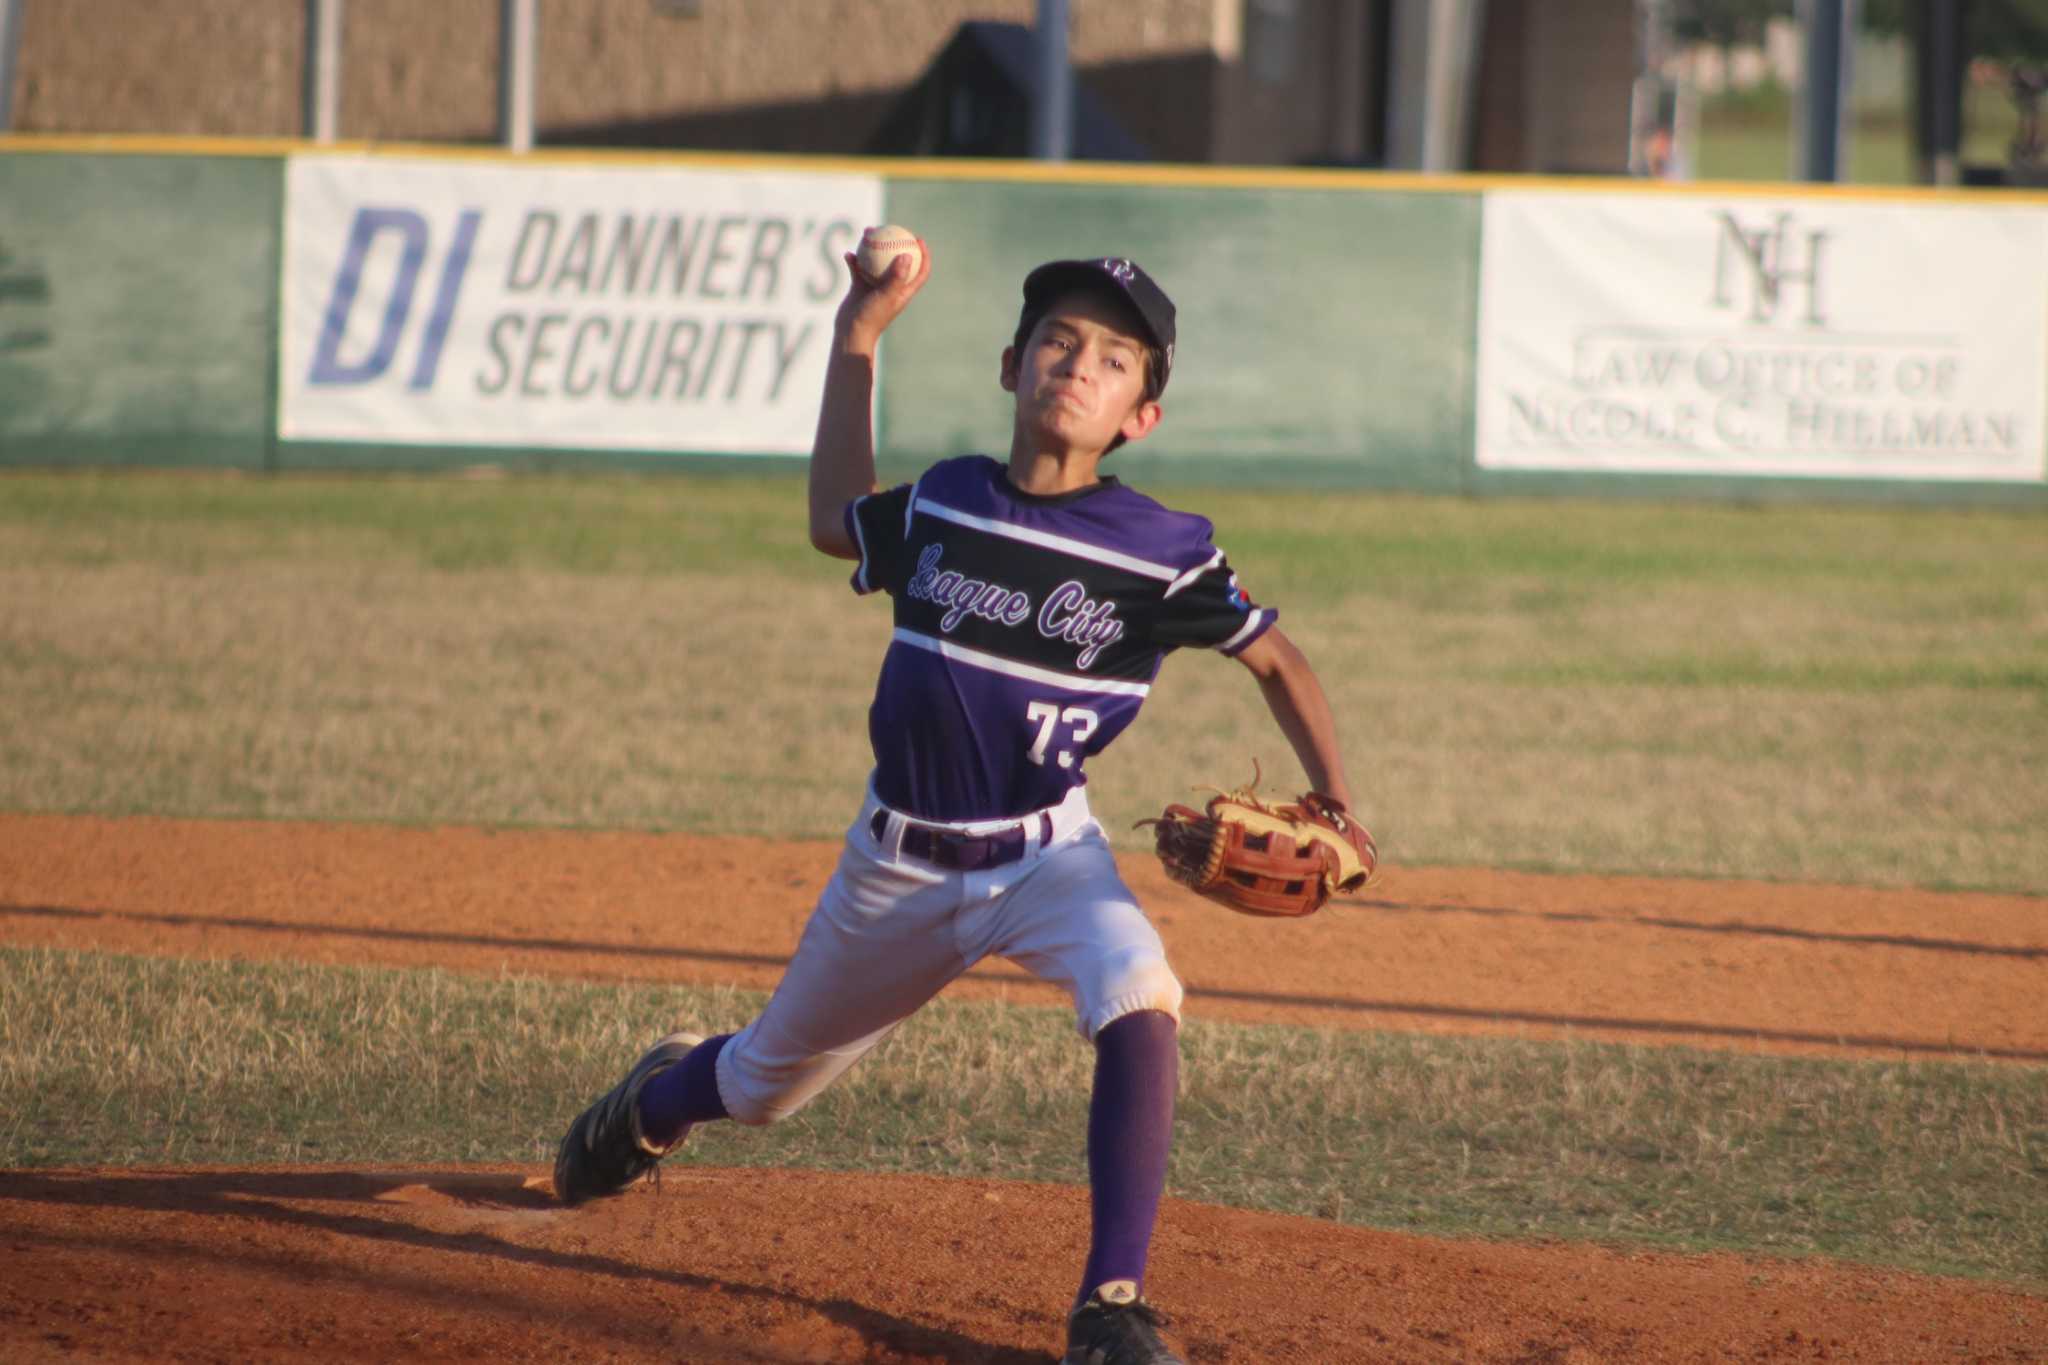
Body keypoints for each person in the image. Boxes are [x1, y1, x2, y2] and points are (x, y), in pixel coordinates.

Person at [554, 239, 1363, 1365]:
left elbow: (1277, 661)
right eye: (1057, 340)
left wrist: (1334, 798)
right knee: (762, 1085)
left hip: (1047, 857)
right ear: (1010, 365)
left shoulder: (1162, 553)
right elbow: (835, 520)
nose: (1078, 364)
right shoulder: (946, 500)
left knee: (1140, 992)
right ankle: (653, 1103)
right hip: (896, 870)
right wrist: (859, 334)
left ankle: (1110, 1308)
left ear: (1139, 417)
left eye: (1114, 359)